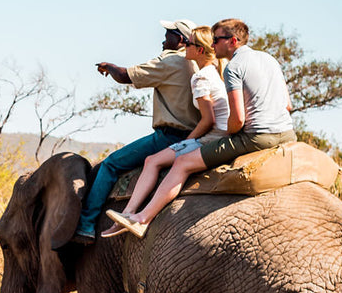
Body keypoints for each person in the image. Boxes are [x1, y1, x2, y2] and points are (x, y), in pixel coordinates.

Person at [108, 18, 296, 238]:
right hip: (287, 133)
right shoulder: (269, 59)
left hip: (256, 137)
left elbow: (237, 121)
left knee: (183, 163)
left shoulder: (233, 67)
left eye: (217, 39)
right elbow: (287, 105)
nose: (213, 44)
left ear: (233, 41)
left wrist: (224, 139)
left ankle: (141, 218)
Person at [75, 19, 202, 244]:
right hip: (197, 136)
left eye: (168, 35)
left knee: (110, 164)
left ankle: (86, 224)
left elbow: (126, 76)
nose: (163, 40)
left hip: (170, 136)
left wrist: (109, 66)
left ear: (181, 40)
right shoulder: (199, 63)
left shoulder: (171, 61)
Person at [101, 24, 228, 238]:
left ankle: (133, 215)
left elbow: (208, 120)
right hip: (218, 135)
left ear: (199, 50)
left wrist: (186, 143)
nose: (184, 45)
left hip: (212, 138)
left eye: (189, 43)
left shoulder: (201, 78)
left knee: (152, 161)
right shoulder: (214, 72)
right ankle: (131, 214)